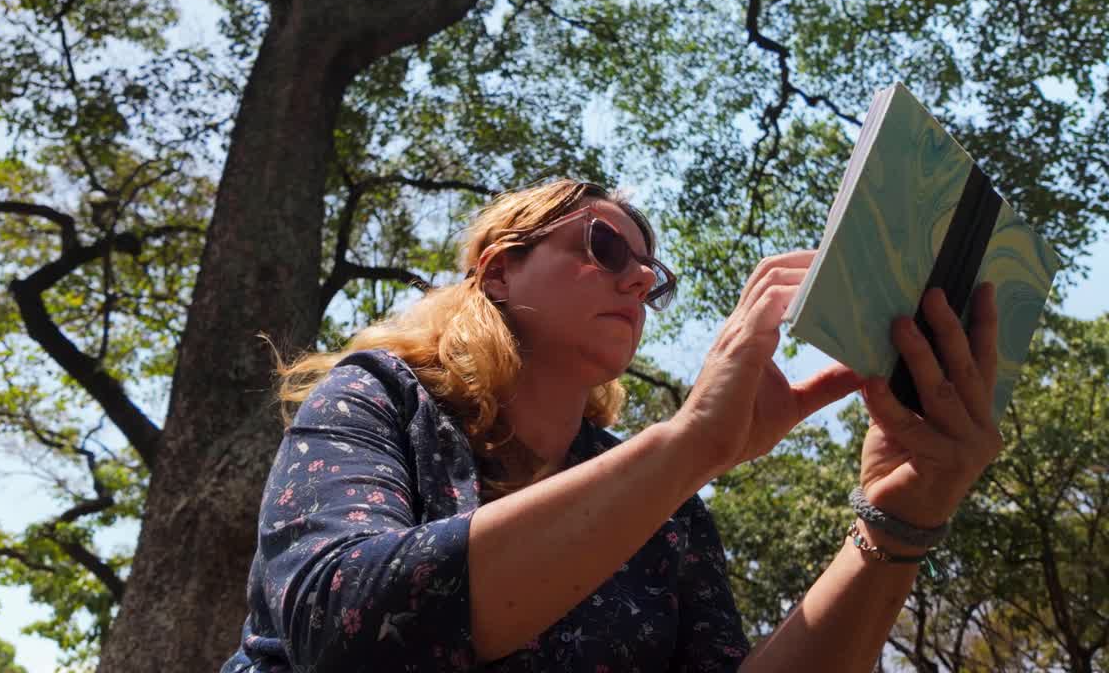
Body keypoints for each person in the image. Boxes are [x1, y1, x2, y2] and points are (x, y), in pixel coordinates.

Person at [219, 179, 1002, 672]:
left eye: (652, 279)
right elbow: (345, 628)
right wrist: (692, 442)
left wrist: (899, 521)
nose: (638, 279)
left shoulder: (671, 517)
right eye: (604, 246)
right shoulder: (379, 398)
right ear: (498, 268)